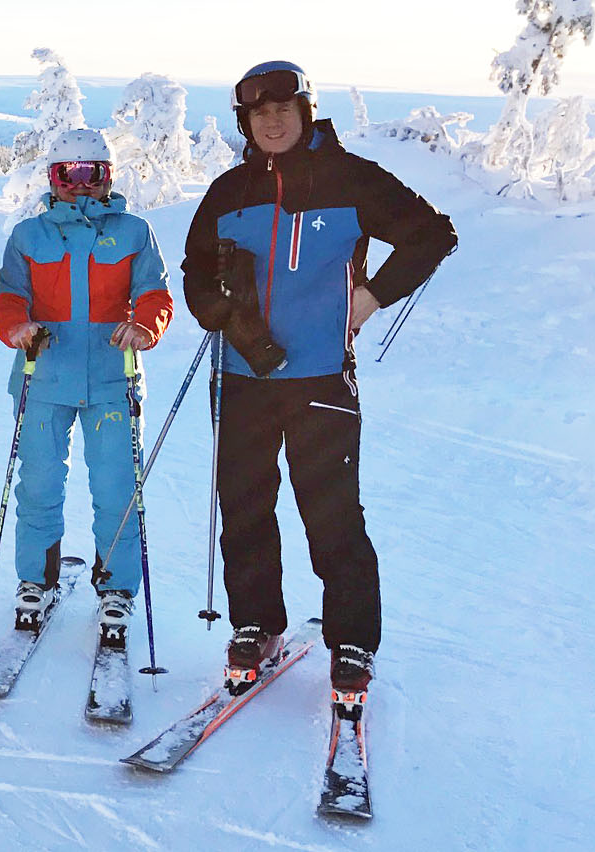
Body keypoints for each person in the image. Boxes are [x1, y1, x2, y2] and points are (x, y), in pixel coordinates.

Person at [182, 61, 455, 703]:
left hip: (322, 378)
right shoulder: (228, 191)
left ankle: (352, 641)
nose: (273, 121)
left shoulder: (351, 179)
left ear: (306, 112)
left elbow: (433, 234)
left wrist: (373, 295)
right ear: (245, 122)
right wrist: (210, 306)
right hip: (242, 375)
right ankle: (257, 625)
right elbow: (196, 270)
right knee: (245, 507)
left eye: (285, 108)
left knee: (331, 512)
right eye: (258, 112)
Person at [0, 128, 173, 643]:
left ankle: (116, 589)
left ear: (107, 176)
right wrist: (18, 328)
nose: (80, 185)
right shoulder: (30, 236)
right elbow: (9, 298)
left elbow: (155, 295)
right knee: (40, 485)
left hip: (114, 379)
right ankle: (35, 581)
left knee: (117, 487)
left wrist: (145, 327)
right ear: (52, 179)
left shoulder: (134, 232)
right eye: (67, 175)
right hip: (43, 377)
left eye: (91, 173)